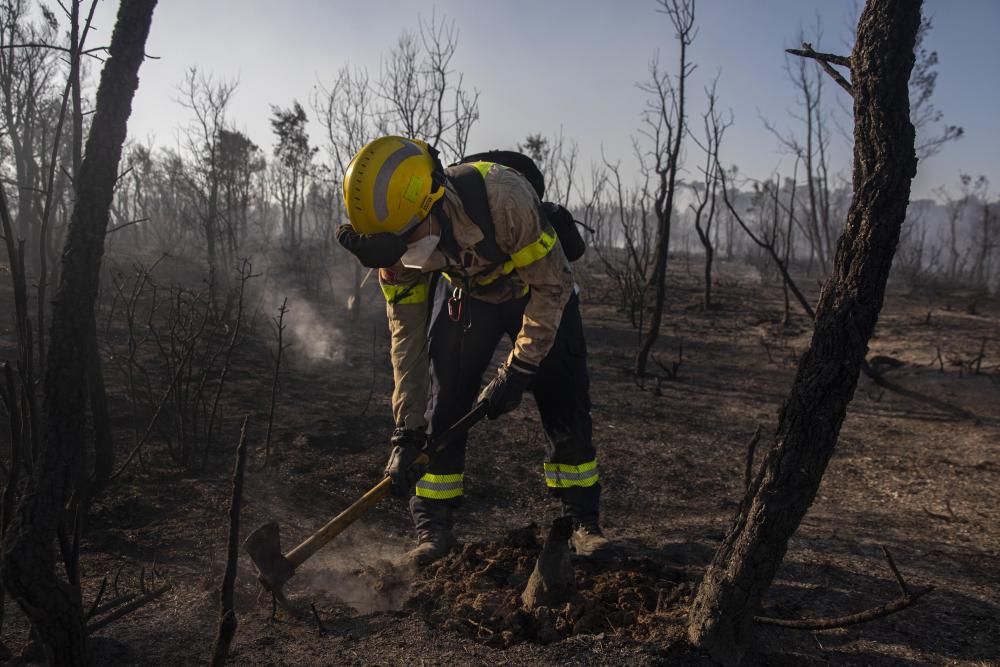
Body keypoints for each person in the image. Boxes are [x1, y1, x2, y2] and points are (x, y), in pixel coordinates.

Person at [337, 136, 608, 566]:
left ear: (434, 201)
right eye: (396, 251)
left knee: (564, 395)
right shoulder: (394, 257)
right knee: (442, 403)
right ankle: (432, 527)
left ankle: (581, 522)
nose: (408, 259)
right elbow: (406, 344)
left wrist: (518, 369)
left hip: (536, 289)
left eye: (410, 242)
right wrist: (406, 431)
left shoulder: (505, 199)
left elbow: (551, 287)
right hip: (471, 296)